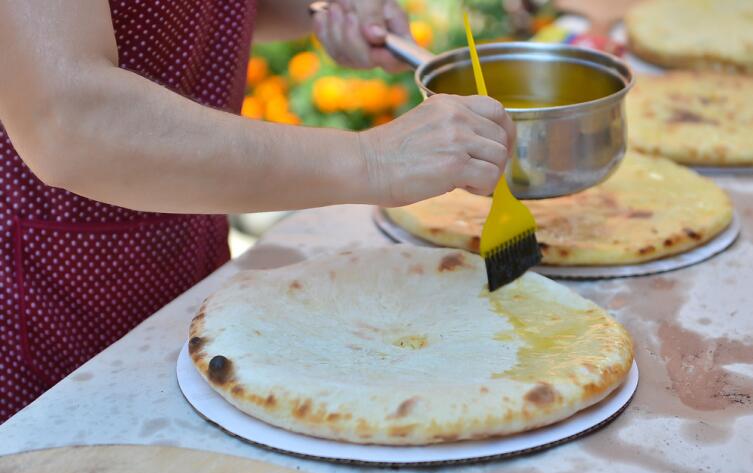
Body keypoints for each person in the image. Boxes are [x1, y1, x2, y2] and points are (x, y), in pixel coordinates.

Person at [0, 0, 515, 422]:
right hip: (41, 296)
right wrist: (373, 160)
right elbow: (66, 121)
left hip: (188, 262)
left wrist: (318, 9)